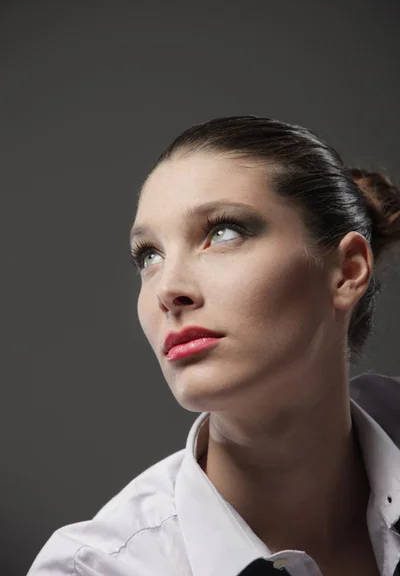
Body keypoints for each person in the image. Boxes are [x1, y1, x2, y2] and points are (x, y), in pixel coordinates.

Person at [27, 116, 400, 576]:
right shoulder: (95, 569)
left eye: (223, 232)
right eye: (150, 255)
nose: (168, 289)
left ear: (346, 271)